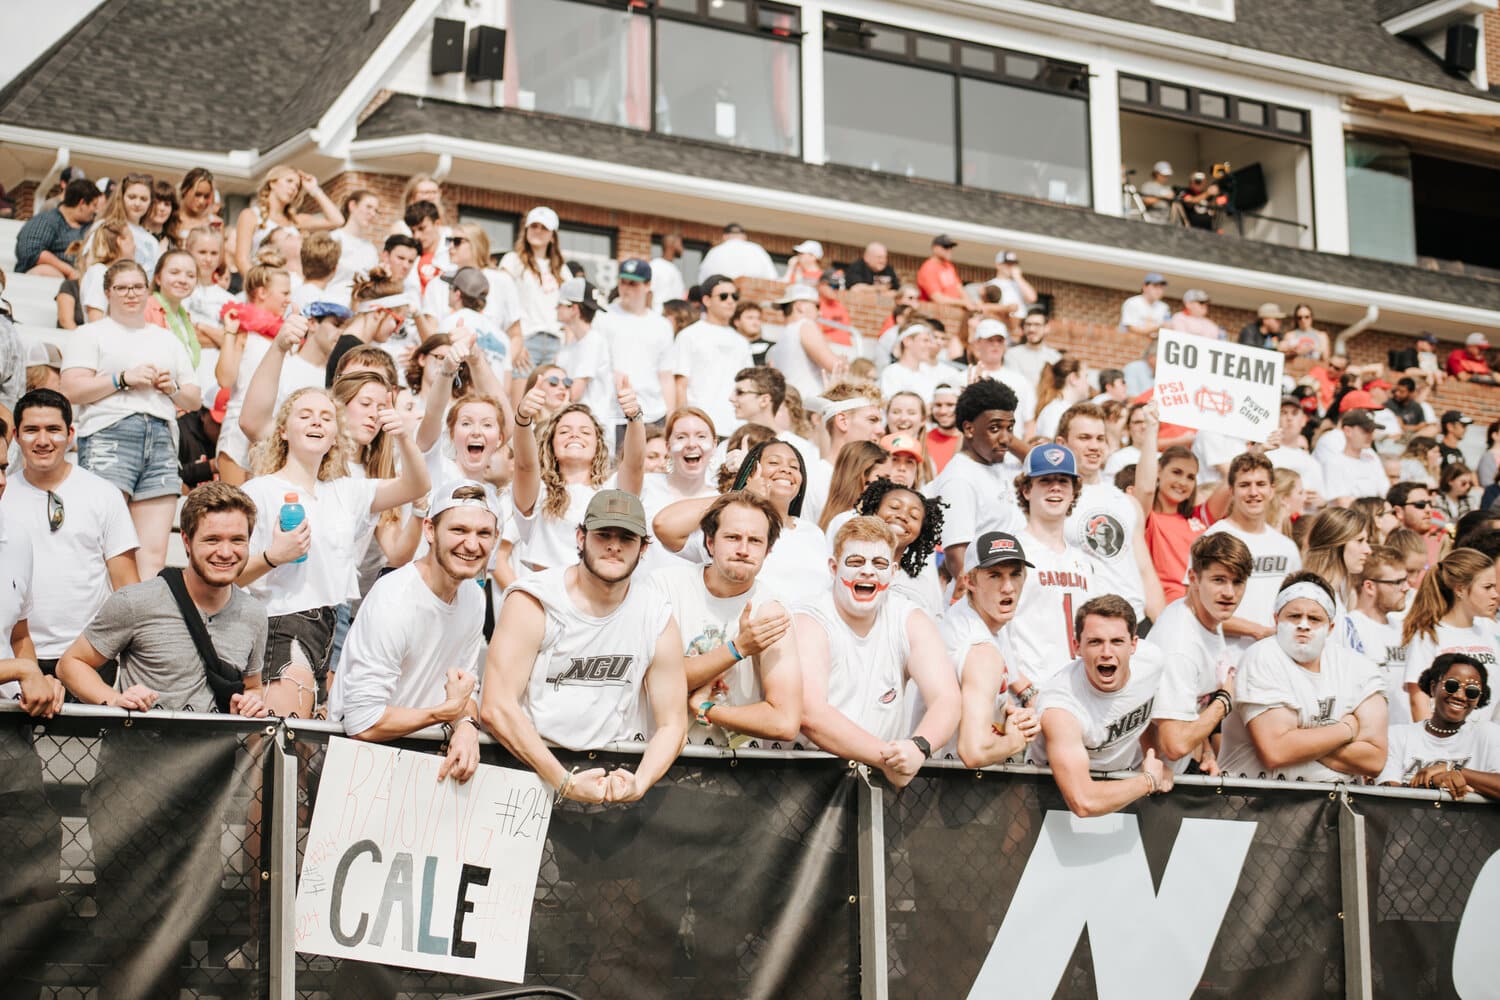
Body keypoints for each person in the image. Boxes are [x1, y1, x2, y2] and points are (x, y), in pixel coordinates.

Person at [482, 489, 688, 801]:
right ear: (581, 537)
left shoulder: (656, 613)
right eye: (603, 534)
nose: (614, 546)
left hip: (611, 776)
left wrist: (640, 782)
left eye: (627, 538)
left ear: (644, 547)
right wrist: (565, 783)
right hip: (528, 767)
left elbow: (673, 723)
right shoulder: (534, 599)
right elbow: (497, 707)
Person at [237, 386, 430, 716]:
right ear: (283, 430)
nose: (317, 422)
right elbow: (232, 574)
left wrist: (403, 439)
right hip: (281, 623)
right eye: (305, 415)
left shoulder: (346, 491)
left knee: (305, 749)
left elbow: (417, 486)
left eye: (326, 417)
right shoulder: (258, 491)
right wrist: (274, 557)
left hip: (332, 626)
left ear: (334, 436)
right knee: (280, 739)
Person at [328, 482, 496, 782]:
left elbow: (464, 685)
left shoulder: (473, 596)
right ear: (430, 530)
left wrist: (467, 726)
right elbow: (363, 721)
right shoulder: (394, 599)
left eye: (483, 534)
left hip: (423, 765)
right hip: (358, 769)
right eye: (459, 530)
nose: (472, 545)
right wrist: (446, 713)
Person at [56, 481, 270, 716]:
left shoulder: (254, 614)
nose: (226, 552)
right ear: (187, 542)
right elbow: (71, 664)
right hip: (139, 750)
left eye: (237, 540)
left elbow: (252, 686)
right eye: (212, 540)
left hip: (216, 750)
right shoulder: (136, 602)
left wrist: (250, 702)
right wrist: (114, 700)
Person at [59, 260, 201, 578]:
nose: (130, 294)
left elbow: (193, 398)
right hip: (109, 433)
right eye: (121, 288)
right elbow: (70, 389)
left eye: (137, 287)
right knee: (99, 541)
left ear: (148, 290)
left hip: (162, 436)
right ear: (108, 293)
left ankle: (140, 624)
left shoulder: (166, 338)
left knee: (153, 551)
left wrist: (172, 388)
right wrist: (122, 378)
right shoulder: (90, 333)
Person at [794, 516, 959, 787]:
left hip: (878, 784)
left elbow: (947, 698)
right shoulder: (809, 620)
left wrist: (918, 747)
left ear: (893, 572)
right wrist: (888, 759)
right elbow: (810, 713)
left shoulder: (909, 618)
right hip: (809, 784)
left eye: (879, 564)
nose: (868, 571)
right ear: (834, 568)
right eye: (856, 562)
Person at [1, 390, 140, 673]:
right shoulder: (4, 491)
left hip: (89, 657)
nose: (42, 440)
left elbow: (127, 587)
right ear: (15, 435)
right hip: (15, 656)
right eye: (31, 430)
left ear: (71, 433)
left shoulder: (104, 494)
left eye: (53, 429)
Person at [651, 490, 802, 747]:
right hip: (663, 761)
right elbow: (655, 679)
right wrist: (738, 649)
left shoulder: (770, 611)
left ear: (768, 551)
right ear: (710, 542)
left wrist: (708, 710)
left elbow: (785, 722)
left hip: (737, 773)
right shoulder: (665, 587)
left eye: (755, 541)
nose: (743, 550)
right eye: (732, 537)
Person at [1216, 573, 1388, 781]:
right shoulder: (1261, 657)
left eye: (1314, 619)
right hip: (1256, 804)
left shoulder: (1360, 669)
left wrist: (1300, 739)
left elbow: (1374, 760)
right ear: (1276, 619)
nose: (1304, 625)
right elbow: (1276, 751)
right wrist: (1346, 729)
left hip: (1334, 806)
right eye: (1294, 616)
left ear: (1330, 627)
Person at [1030, 595, 1172, 816]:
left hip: (1123, 782)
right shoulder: (1060, 707)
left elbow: (1145, 710)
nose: (1107, 653)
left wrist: (1152, 758)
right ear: (1077, 647)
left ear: (1133, 645)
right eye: (1095, 642)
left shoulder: (1152, 661)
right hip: (1054, 793)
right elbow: (1083, 801)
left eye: (1117, 641)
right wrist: (1148, 780)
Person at [655, 438, 832, 606]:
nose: (786, 470)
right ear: (751, 474)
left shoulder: (813, 533)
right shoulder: (729, 530)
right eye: (774, 462)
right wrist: (740, 495)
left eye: (794, 466)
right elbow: (664, 524)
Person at [1148, 532, 1250, 773]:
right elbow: (1174, 743)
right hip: (1143, 779)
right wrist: (1224, 701)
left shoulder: (1208, 617)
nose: (1229, 593)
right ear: (1193, 578)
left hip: (1171, 773)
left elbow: (1191, 704)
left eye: (1237, 582)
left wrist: (1205, 750)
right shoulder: (1180, 645)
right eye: (1218, 580)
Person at [1060, 403, 1163, 622]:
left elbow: (1145, 571)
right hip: (1086, 627)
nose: (1094, 446)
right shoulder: (1052, 501)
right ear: (1062, 443)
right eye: (1084, 438)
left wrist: (1163, 627)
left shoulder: (1125, 501)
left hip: (1135, 623)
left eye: (1100, 439)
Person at [948, 531, 1041, 767]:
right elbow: (974, 751)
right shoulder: (980, 648)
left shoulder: (980, 619)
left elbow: (984, 690)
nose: (1008, 587)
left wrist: (1012, 712)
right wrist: (1016, 740)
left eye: (1015, 574)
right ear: (969, 581)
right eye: (995, 575)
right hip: (943, 785)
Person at [925, 378, 1024, 594]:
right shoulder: (959, 479)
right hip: (986, 599)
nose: (1006, 439)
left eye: (1010, 428)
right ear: (969, 428)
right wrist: (983, 600)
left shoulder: (1001, 461)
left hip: (1008, 588)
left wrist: (1001, 428)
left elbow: (1040, 461)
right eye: (995, 428)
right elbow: (956, 558)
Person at [1201, 452, 1303, 651]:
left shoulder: (1286, 546)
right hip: (1226, 660)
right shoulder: (1214, 539)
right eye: (1245, 485)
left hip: (1276, 658)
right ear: (1231, 490)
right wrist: (1256, 631)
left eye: (1261, 484)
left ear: (1272, 490)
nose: (1253, 492)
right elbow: (1199, 608)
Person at [0, 426, 66, 714]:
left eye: (3, 468)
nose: (1, 481)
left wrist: (38, 680)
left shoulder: (15, 537)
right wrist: (23, 671)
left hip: (13, 724)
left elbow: (18, 635)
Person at [1401, 547, 1498, 720]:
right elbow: (1419, 702)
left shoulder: (1490, 629)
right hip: (1445, 743)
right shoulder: (1429, 635)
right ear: (1460, 589)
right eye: (1487, 587)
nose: (1495, 595)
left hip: (1488, 742)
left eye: (1495, 587)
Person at [1380, 653, 1500, 790]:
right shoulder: (1397, 736)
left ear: (1479, 698)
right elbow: (1387, 792)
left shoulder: (1489, 734)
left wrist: (1455, 770)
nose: (1460, 696)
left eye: (1471, 691)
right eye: (1452, 685)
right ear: (1433, 688)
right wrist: (1433, 782)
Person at [1336, 545, 1414, 727]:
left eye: (1406, 580)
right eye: (1397, 582)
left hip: (1405, 737)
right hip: (1372, 736)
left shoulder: (1404, 628)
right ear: (1369, 587)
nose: (1407, 588)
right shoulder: (1350, 627)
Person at [673, 274, 754, 434]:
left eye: (734, 296)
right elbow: (680, 386)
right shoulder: (689, 335)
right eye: (723, 296)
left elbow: (749, 384)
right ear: (707, 300)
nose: (730, 301)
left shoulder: (741, 341)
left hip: (735, 428)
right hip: (699, 428)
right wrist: (681, 425)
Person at [606, 258, 676, 437]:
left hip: (653, 413)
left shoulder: (661, 325)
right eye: (623, 282)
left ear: (647, 285)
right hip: (614, 414)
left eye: (633, 283)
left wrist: (671, 417)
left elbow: (666, 376)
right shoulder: (603, 316)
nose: (626, 288)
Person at [233, 165, 341, 276]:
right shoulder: (251, 215)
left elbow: (337, 221)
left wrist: (314, 189)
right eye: (289, 181)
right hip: (263, 281)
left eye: (297, 186)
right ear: (272, 183)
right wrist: (256, 286)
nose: (293, 188)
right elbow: (241, 259)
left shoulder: (296, 221)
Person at [770, 284, 845, 399]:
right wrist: (843, 360)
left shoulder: (781, 339)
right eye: (817, 306)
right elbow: (836, 367)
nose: (820, 313)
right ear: (799, 306)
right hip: (809, 406)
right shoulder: (805, 326)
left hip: (792, 404)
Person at [13, 176, 97, 277]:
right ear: (82, 203)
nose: (95, 210)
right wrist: (70, 272)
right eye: (94, 205)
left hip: (85, 278)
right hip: (49, 278)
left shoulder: (91, 226)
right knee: (45, 271)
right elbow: (32, 252)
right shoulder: (46, 220)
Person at [1301, 506, 1374, 615]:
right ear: (1336, 543)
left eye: (1366, 541)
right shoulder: (1311, 598)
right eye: (1359, 541)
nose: (1368, 550)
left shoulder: (1345, 593)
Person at [697, 222, 777, 281]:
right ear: (744, 236)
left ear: (724, 236)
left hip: (722, 297)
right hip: (753, 300)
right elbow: (772, 277)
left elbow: (702, 279)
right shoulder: (757, 250)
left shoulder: (714, 252)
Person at [1005, 309, 1062, 390]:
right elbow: (1014, 386)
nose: (1031, 329)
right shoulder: (1012, 355)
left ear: (1046, 328)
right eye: (1028, 324)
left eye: (1037, 325)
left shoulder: (1055, 358)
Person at [1119, 273, 1171, 337]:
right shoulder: (1132, 302)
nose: (1158, 290)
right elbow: (1131, 329)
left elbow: (1167, 329)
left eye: (1161, 288)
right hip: (1130, 343)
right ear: (1144, 287)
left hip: (1153, 345)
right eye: (1155, 286)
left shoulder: (1164, 307)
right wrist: (1157, 328)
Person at [925, 383, 961, 473]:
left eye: (950, 405)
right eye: (938, 405)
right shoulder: (923, 440)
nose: (943, 411)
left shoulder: (970, 442)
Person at [649, 233, 687, 305]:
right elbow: (649, 292)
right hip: (658, 314)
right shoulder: (655, 265)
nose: (683, 248)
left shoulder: (675, 269)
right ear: (671, 244)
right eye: (680, 244)